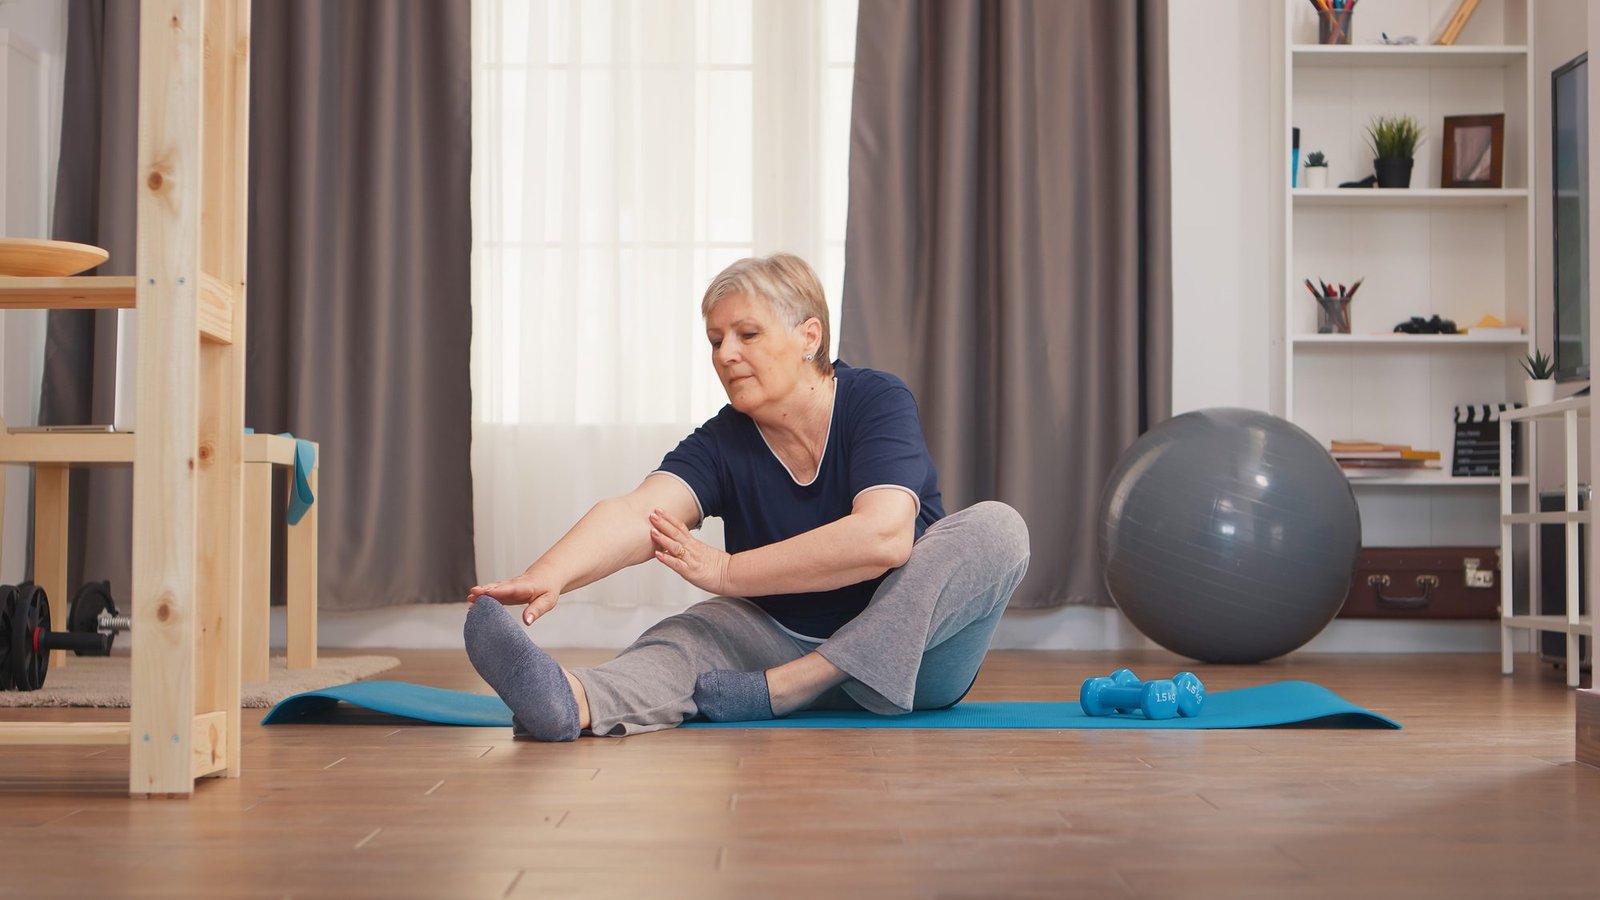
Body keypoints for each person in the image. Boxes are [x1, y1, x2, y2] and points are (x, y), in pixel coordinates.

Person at [464, 253, 1030, 740]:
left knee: (998, 529)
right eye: (715, 340)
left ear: (810, 336)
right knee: (688, 635)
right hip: (776, 642)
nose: (725, 354)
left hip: (913, 658)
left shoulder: (874, 400)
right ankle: (572, 702)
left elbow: (882, 537)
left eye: (746, 334)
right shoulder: (723, 439)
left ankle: (805, 683)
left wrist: (731, 572)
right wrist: (552, 573)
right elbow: (642, 513)